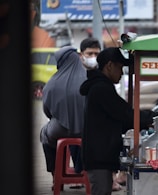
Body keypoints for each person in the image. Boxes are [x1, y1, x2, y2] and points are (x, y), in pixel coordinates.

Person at [79, 47, 158, 195]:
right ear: (110, 65)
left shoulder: (101, 86)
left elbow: (123, 117)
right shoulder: (101, 89)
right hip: (98, 156)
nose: (121, 73)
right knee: (101, 190)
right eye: (120, 68)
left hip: (100, 154)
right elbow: (125, 114)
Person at [40, 37, 101, 189]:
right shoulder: (90, 79)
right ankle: (84, 175)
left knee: (44, 134)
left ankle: (56, 177)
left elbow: (47, 111)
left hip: (60, 128)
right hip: (88, 130)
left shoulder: (51, 84)